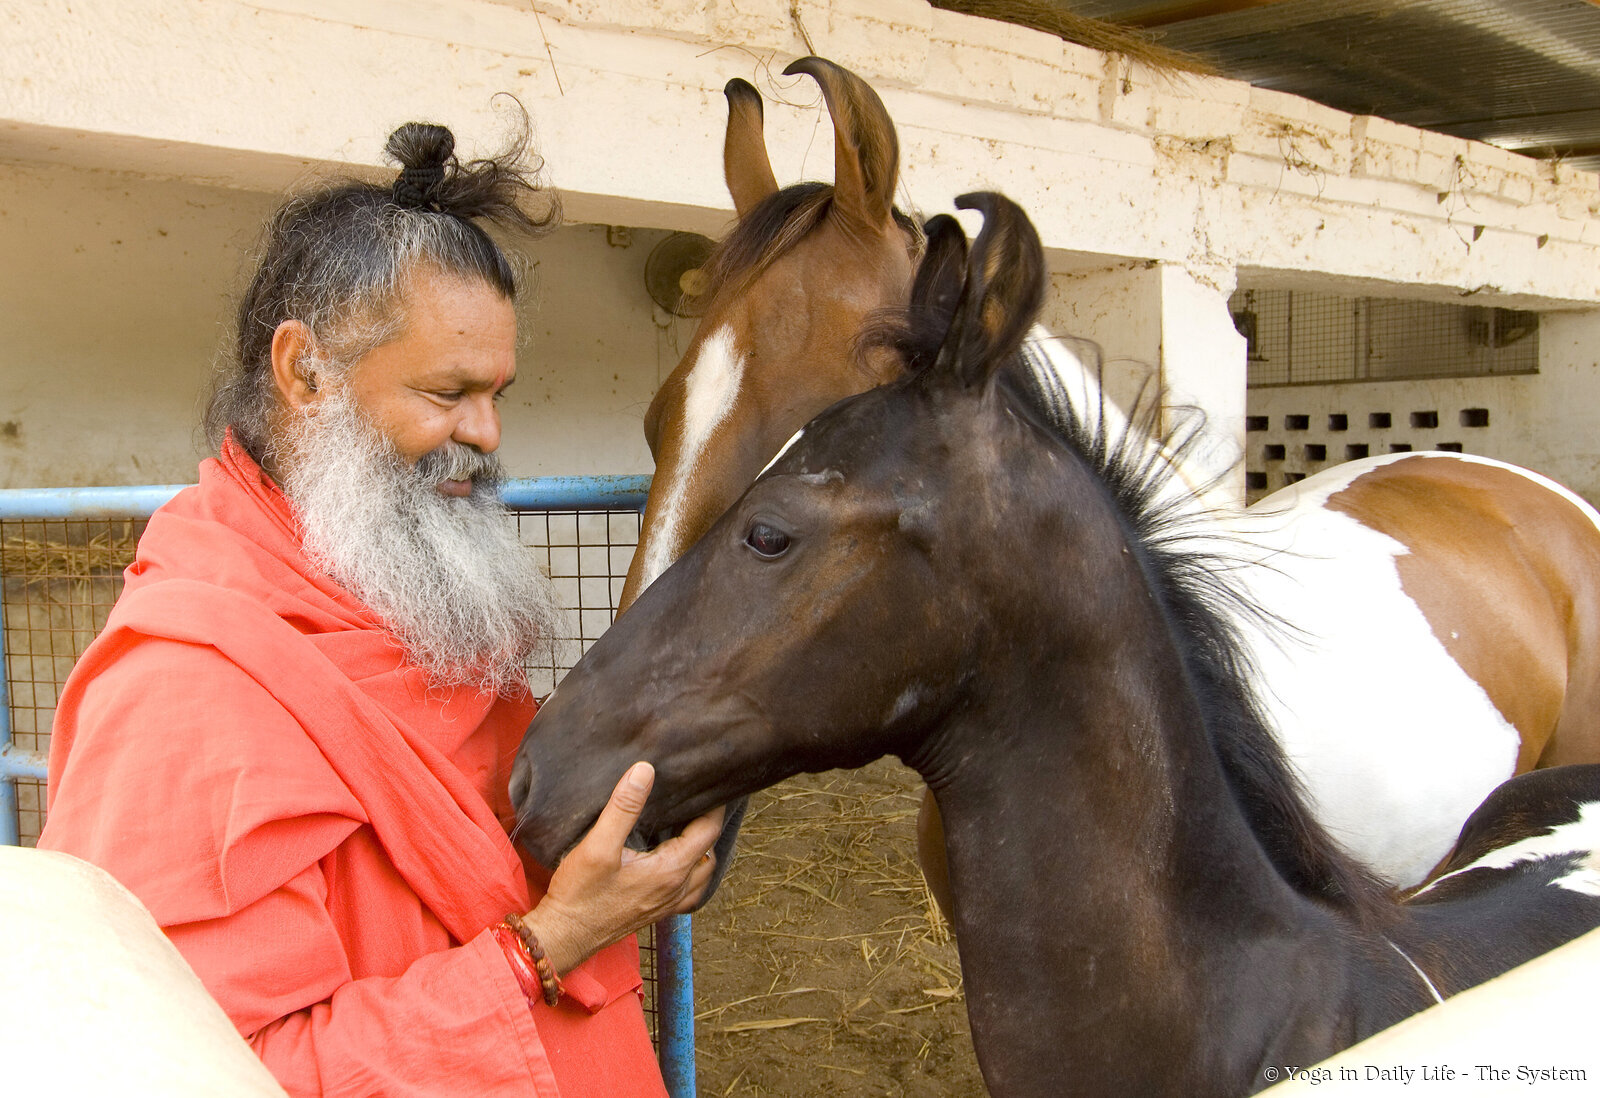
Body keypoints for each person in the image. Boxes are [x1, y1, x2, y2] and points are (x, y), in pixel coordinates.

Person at [38, 119, 726, 1097]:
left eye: (498, 393)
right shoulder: (181, 697)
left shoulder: (409, 605)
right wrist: (551, 942)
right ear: (304, 373)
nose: (486, 434)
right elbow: (213, 1074)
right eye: (447, 392)